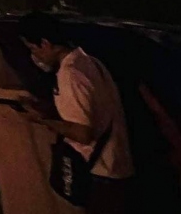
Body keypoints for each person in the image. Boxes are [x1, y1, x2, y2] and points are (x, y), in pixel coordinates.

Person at [17, 12, 134, 213]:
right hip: (115, 167)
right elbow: (91, 111)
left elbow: (83, 133)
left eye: (32, 48)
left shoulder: (70, 74)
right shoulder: (89, 61)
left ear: (45, 43)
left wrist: (43, 120)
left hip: (101, 172)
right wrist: (44, 107)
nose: (34, 56)